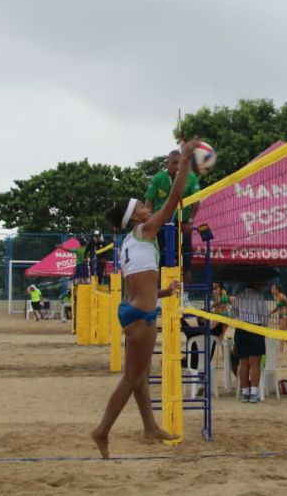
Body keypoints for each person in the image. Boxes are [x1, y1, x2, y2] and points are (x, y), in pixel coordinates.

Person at [89, 137, 201, 459]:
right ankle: (102, 431)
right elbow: (177, 196)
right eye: (140, 206)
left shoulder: (130, 240)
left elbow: (134, 283)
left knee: (141, 376)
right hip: (140, 315)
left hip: (133, 309)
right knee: (133, 377)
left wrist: (161, 293)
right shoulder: (148, 228)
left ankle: (150, 427)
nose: (146, 207)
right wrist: (187, 157)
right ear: (136, 217)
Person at [145, 147, 202, 294]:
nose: (177, 166)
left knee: (187, 264)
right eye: (174, 163)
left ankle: (186, 297)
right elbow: (149, 201)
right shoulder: (158, 179)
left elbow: (197, 201)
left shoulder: (191, 177)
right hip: (162, 226)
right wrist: (151, 221)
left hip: (182, 226)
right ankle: (158, 297)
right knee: (159, 263)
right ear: (167, 164)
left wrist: (190, 221)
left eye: (180, 163)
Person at [233, 280, 269, 404]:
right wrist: (264, 329)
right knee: (255, 363)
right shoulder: (259, 297)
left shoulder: (239, 296)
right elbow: (265, 318)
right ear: (254, 283)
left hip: (241, 329)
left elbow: (232, 315)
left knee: (243, 364)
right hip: (255, 329)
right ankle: (253, 394)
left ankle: (245, 394)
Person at [270, 284, 287, 353]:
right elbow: (278, 307)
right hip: (280, 316)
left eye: (273, 289)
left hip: (285, 315)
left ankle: (281, 350)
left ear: (277, 290)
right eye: (272, 289)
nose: (272, 290)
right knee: (284, 332)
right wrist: (271, 312)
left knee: (282, 333)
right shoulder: (275, 296)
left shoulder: (281, 296)